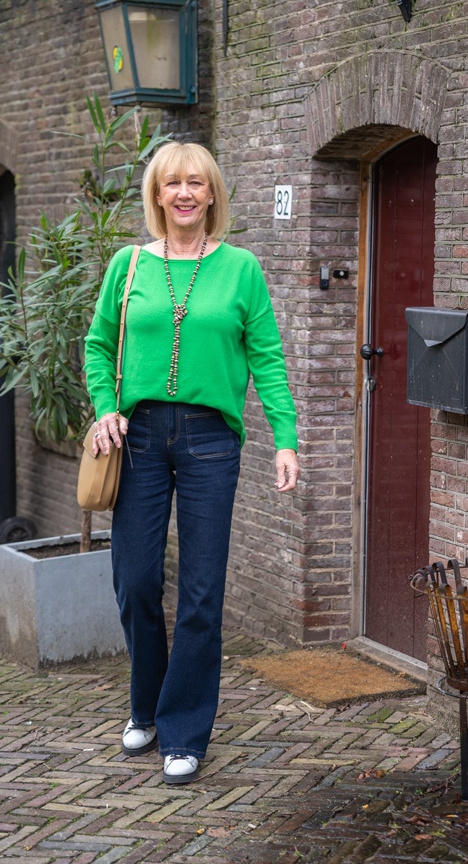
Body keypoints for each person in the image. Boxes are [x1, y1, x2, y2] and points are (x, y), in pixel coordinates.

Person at [84, 142, 299, 785]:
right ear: (157, 194)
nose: (183, 193)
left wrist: (285, 437)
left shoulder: (241, 270)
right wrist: (104, 407)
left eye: (196, 183)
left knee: (203, 592)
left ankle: (182, 731)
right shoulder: (127, 267)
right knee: (137, 581)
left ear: (211, 195)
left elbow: (268, 359)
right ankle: (144, 703)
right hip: (138, 438)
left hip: (211, 442)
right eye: (172, 183)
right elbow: (98, 346)